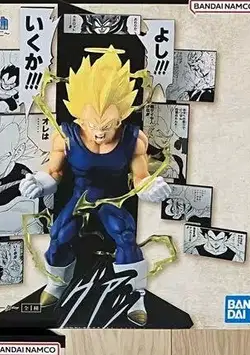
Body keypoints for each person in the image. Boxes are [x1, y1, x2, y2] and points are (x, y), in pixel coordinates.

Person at [19, 47, 170, 325]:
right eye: (92, 125)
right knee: (60, 234)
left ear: (120, 118)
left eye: (108, 125)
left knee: (124, 234)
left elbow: (140, 177)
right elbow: (54, 172)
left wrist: (150, 186)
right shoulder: (66, 135)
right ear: (79, 118)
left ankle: (135, 295)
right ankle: (57, 282)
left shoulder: (134, 139)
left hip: (112, 199)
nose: (100, 132)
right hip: (80, 197)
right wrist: (39, 183)